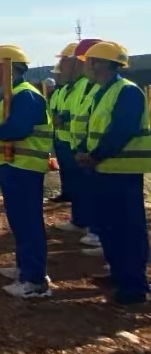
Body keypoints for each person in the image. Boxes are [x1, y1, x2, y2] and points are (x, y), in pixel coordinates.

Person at [77, 41, 150, 305]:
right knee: (109, 228)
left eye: (88, 62)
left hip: (122, 172)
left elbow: (121, 130)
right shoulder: (102, 92)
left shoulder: (127, 91)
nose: (85, 67)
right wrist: (84, 151)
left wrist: (94, 156)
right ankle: (119, 274)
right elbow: (93, 129)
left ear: (99, 63)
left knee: (127, 230)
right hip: (105, 170)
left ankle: (134, 286)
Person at [0, 45, 53, 298]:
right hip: (12, 166)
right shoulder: (7, 96)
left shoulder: (25, 95)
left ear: (5, 69)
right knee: (19, 222)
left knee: (28, 222)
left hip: (25, 167)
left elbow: (17, 129)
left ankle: (35, 281)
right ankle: (25, 268)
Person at [57, 38, 104, 250]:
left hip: (98, 151)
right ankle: (86, 224)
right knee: (83, 188)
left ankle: (100, 233)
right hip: (78, 145)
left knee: (98, 193)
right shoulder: (80, 87)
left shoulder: (96, 87)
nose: (61, 67)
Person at [49, 43, 78, 205]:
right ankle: (67, 193)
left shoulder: (79, 88)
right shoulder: (60, 92)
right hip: (61, 136)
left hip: (72, 139)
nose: (58, 75)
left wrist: (63, 118)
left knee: (74, 172)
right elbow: (54, 110)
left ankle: (72, 195)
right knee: (65, 169)